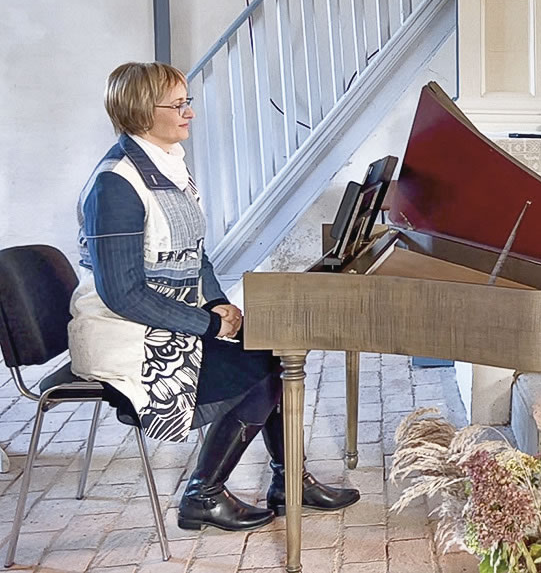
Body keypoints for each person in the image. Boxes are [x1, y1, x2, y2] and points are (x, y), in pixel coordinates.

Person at [68, 62, 360, 532]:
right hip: (124, 334)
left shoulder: (167, 165)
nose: (190, 113)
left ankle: (289, 483)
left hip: (165, 317)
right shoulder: (116, 184)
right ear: (143, 113)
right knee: (265, 367)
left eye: (188, 101)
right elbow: (122, 293)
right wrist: (208, 325)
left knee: (274, 348)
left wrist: (216, 304)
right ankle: (203, 494)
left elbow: (194, 253)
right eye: (178, 104)